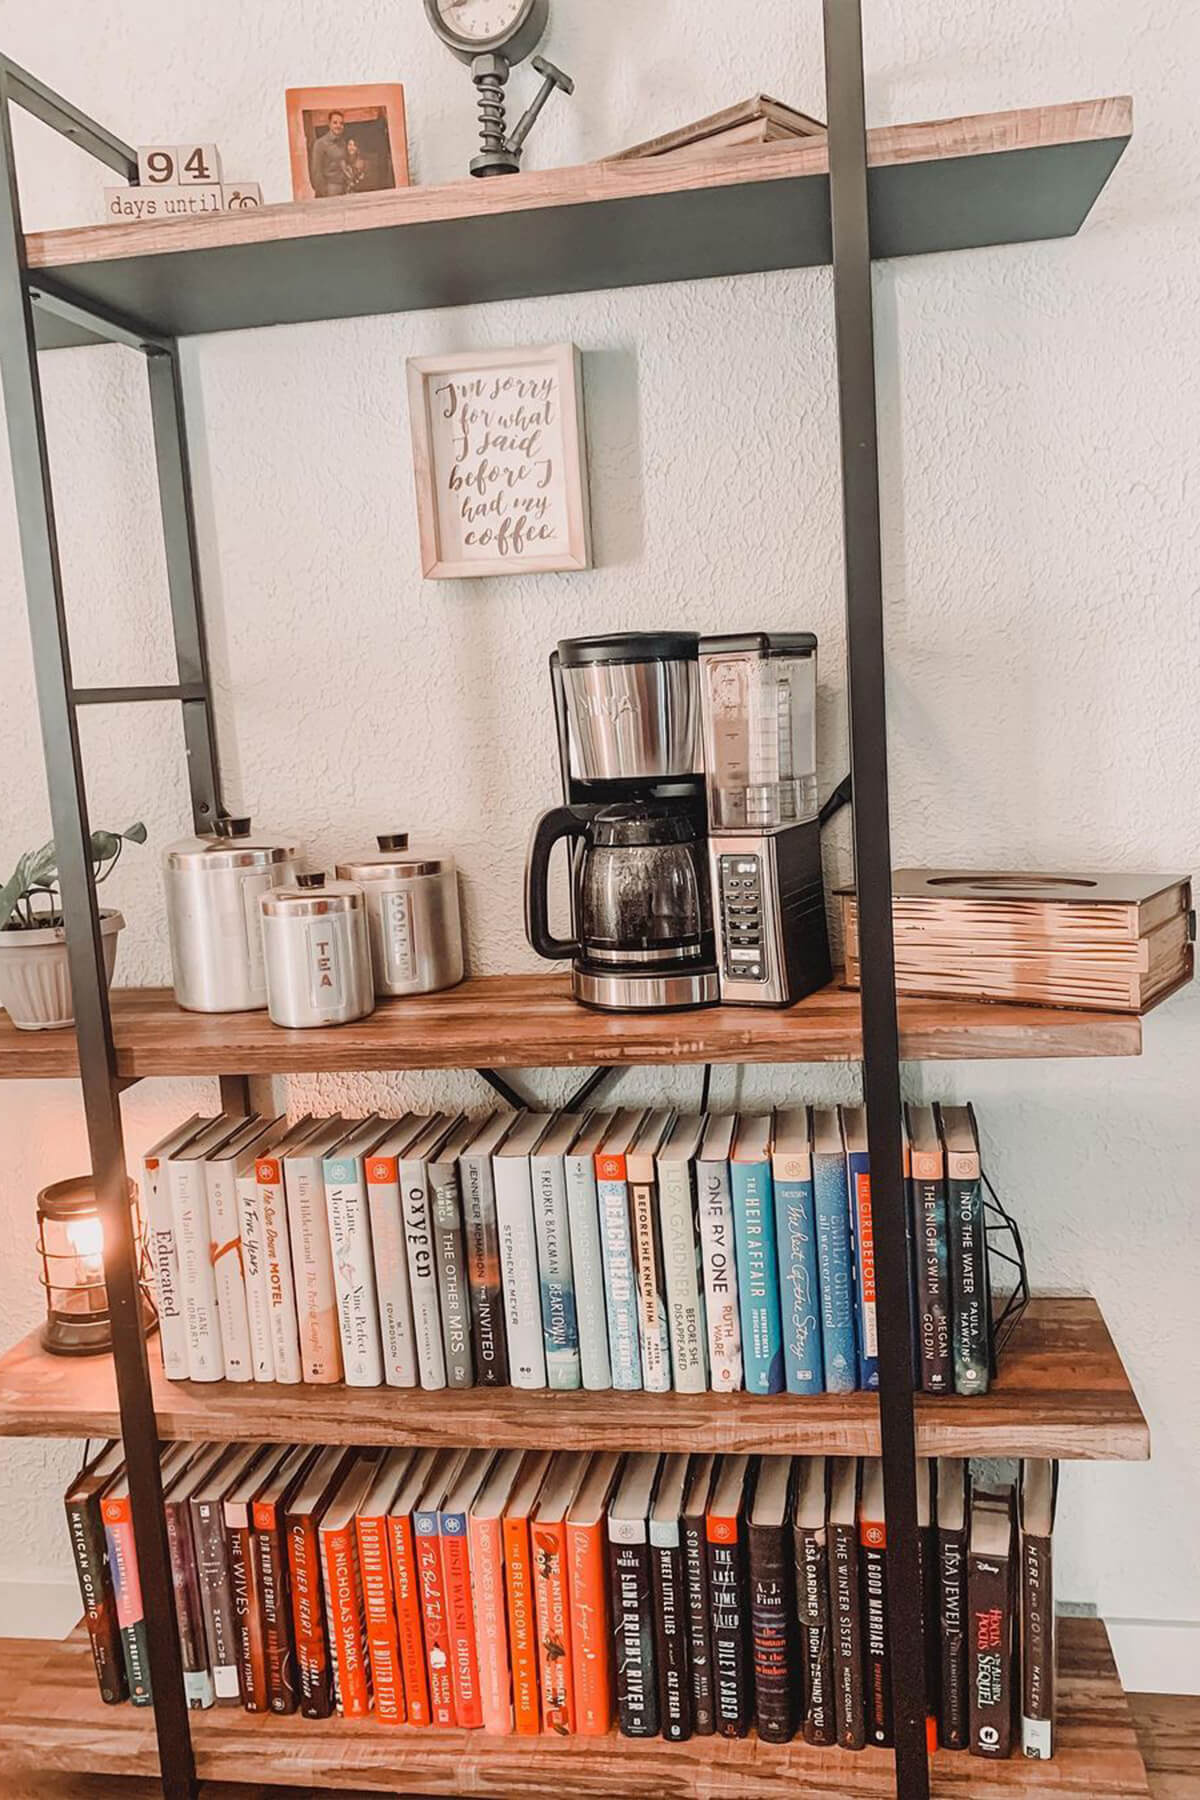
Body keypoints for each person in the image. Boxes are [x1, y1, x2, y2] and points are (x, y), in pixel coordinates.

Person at [309, 110, 349, 198]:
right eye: (335, 123)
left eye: (341, 123)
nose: (338, 126)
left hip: (343, 188)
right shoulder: (320, 144)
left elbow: (344, 164)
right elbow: (316, 172)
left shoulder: (342, 143)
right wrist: (324, 193)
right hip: (329, 189)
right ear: (329, 124)